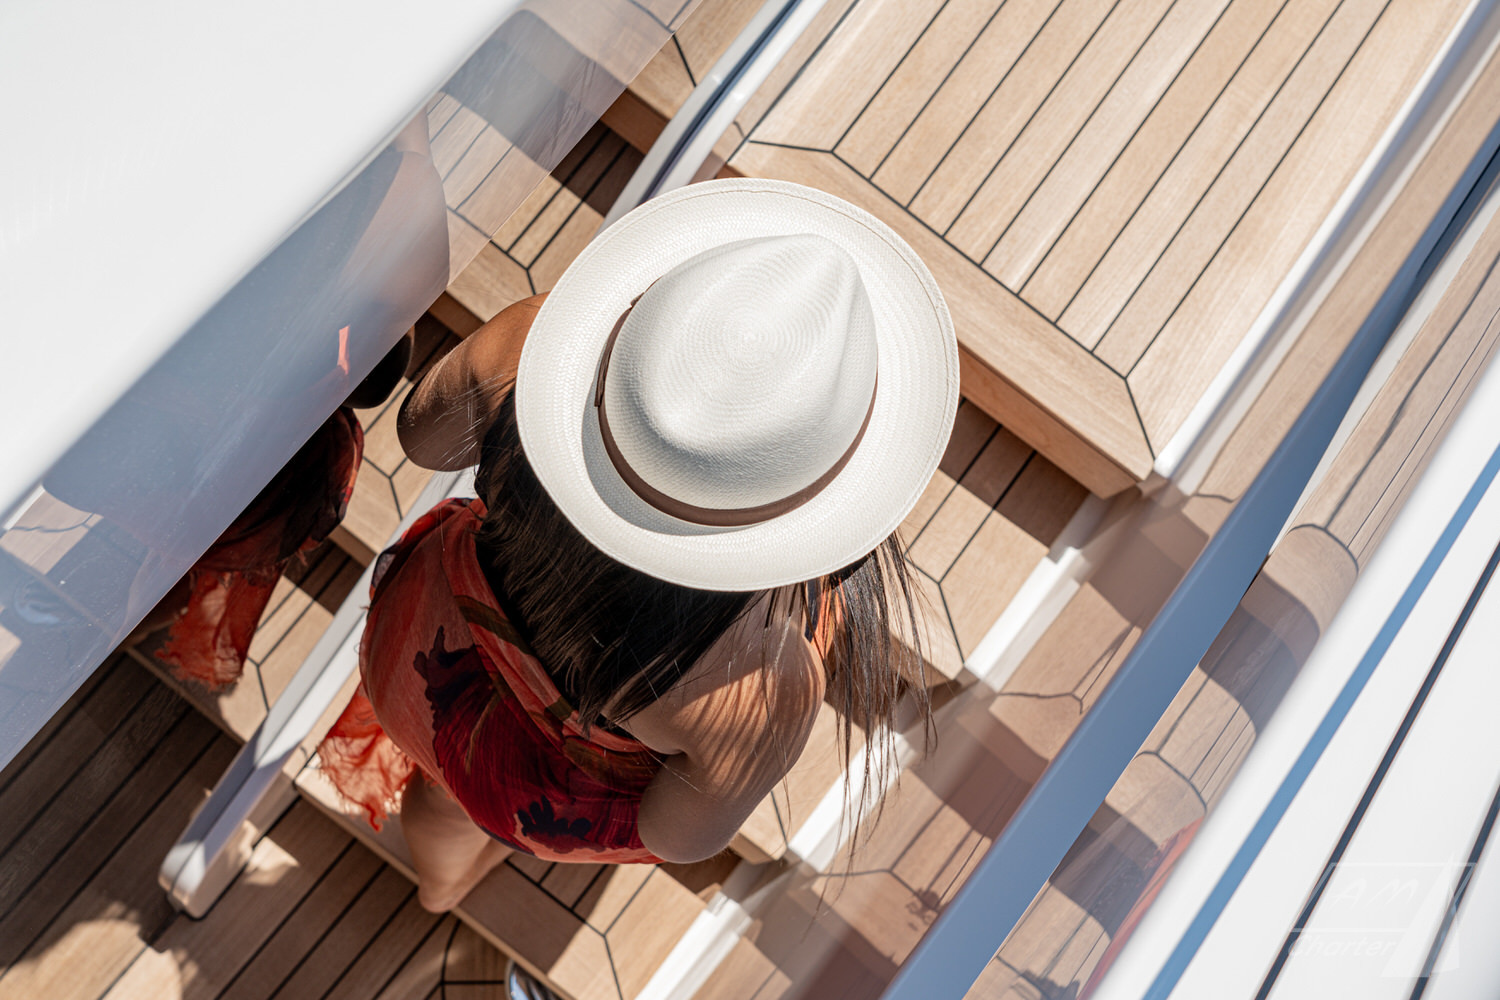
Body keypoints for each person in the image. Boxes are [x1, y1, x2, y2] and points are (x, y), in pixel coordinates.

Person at [317, 178, 960, 913]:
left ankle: (435, 880)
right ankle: (442, 890)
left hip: (426, 655)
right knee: (476, 794)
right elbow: (679, 834)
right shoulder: (765, 680)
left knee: (442, 784)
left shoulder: (529, 349)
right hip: (533, 787)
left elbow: (420, 438)